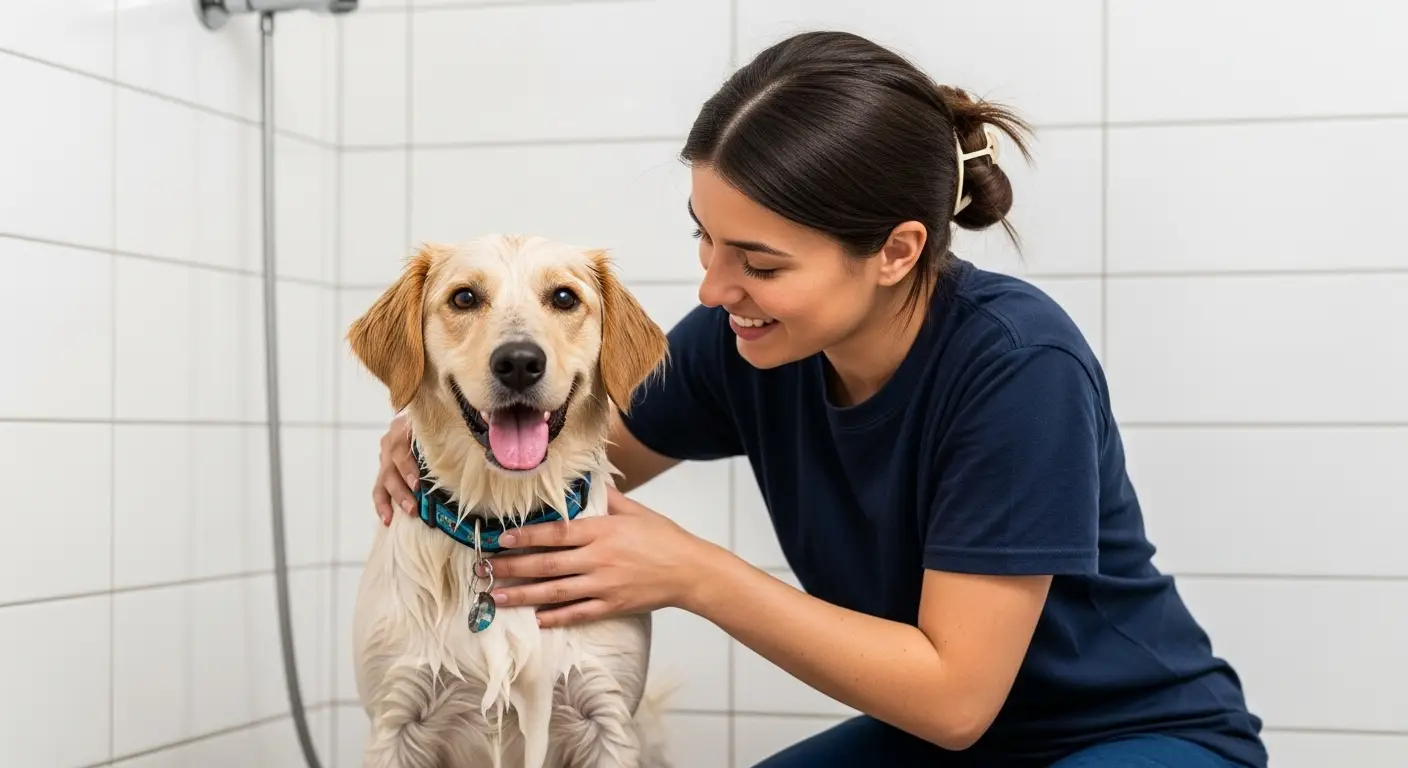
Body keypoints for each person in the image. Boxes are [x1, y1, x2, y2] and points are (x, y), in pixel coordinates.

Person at [368, 31, 1267, 768]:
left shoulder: (1018, 367)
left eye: (759, 262)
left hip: (1129, 735)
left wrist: (693, 572)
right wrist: (449, 431)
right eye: (706, 241)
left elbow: (955, 698)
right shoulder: (746, 339)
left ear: (895, 252)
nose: (716, 289)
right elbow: (585, 452)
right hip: (937, 741)